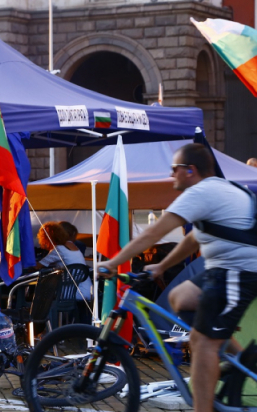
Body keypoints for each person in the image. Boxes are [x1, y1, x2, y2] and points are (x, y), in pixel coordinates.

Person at [99, 143, 257, 412]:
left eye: (175, 169)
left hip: (237, 272)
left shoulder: (201, 192)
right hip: (222, 270)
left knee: (202, 342)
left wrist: (112, 263)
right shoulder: (218, 190)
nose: (171, 175)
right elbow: (194, 239)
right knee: (179, 297)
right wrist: (161, 266)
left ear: (190, 170)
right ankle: (239, 358)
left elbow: (153, 234)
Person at [37, 221, 92, 301]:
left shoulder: (59, 249)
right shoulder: (73, 246)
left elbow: (37, 266)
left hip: (72, 293)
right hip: (87, 290)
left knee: (42, 294)